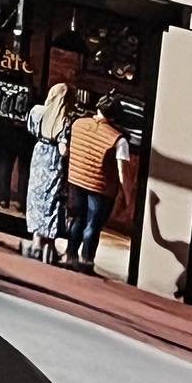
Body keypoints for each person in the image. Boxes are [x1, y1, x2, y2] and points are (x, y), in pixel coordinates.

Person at [64, 93, 135, 275]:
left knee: (77, 219)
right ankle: (87, 261)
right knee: (93, 225)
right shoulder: (118, 139)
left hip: (76, 179)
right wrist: (128, 197)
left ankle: (70, 255)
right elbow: (123, 172)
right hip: (101, 187)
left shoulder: (78, 124)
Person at [23, 82, 73, 264]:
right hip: (53, 162)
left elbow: (29, 129)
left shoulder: (37, 111)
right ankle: (49, 246)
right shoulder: (65, 121)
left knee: (36, 199)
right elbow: (62, 150)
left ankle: (36, 242)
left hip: (38, 157)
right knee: (52, 201)